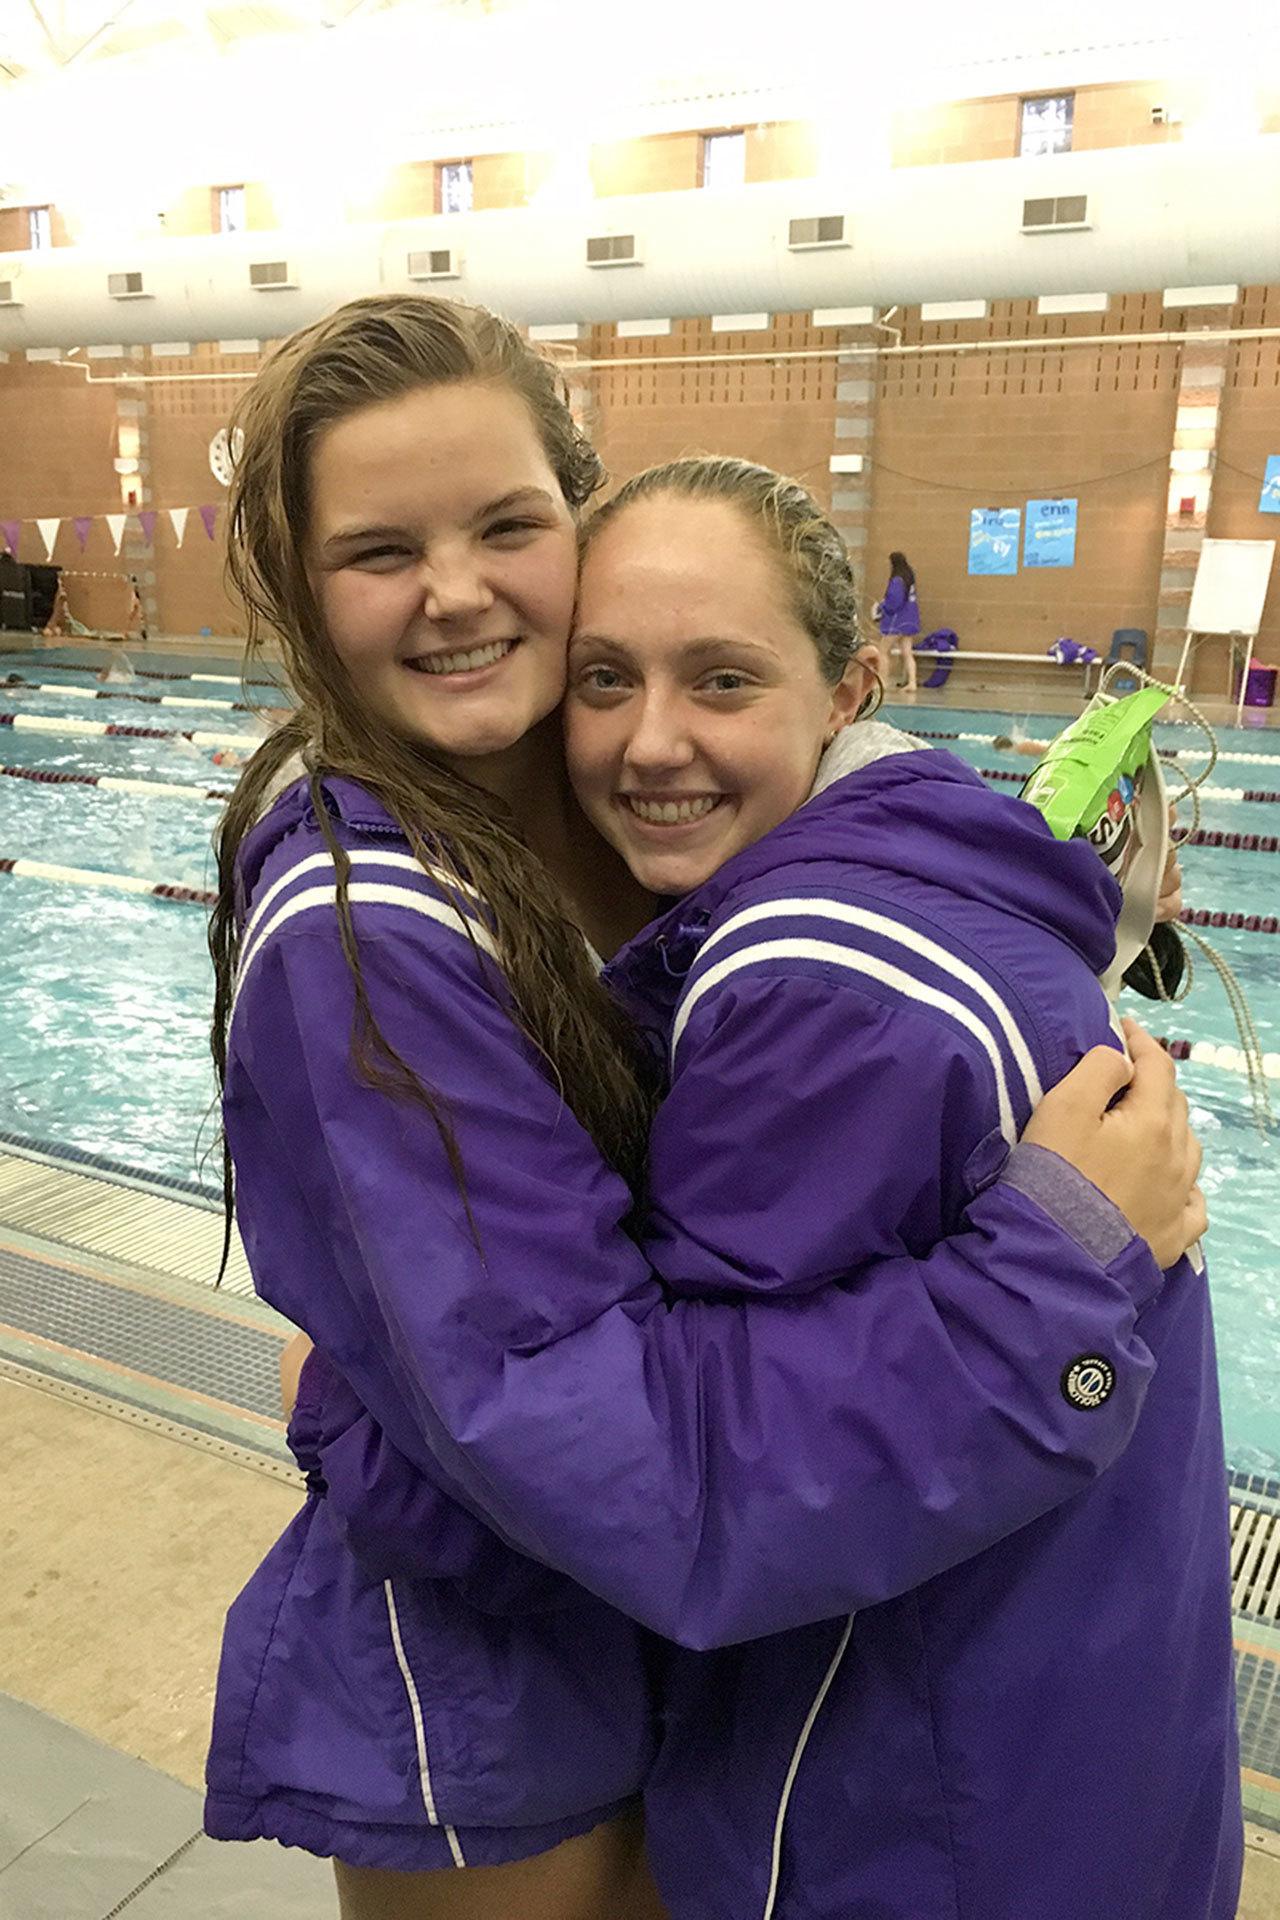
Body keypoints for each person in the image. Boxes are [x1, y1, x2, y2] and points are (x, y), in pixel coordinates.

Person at [205, 297, 1217, 1919]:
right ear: (297, 595)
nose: (458, 588)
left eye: (508, 526)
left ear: (579, 531)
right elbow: (599, 1448)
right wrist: (1057, 1270)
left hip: (678, 1640)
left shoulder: (620, 808)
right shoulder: (361, 937)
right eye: (379, 550)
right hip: (495, 1672)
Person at [873, 548, 920, 691]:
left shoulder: (897, 580)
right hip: (911, 619)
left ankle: (882, 681)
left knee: (882, 650)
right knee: (907, 652)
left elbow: (894, 601)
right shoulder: (909, 577)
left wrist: (881, 607)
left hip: (897, 621)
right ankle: (912, 682)